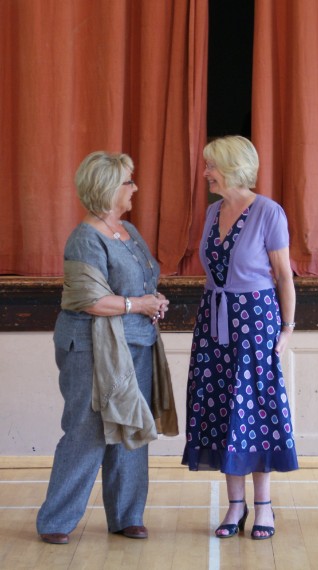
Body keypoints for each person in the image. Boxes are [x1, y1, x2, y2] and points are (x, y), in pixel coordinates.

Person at [37, 151, 176, 545]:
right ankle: (56, 521)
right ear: (108, 188)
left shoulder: (129, 230)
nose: (136, 187)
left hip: (137, 343)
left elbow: (139, 284)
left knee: (132, 424)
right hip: (89, 347)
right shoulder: (85, 238)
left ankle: (127, 516)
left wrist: (153, 300)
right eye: (129, 182)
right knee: (87, 430)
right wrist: (140, 304)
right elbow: (89, 300)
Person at [182, 136, 298, 540]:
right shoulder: (213, 211)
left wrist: (287, 328)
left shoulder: (269, 211)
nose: (206, 173)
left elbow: (284, 277)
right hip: (214, 321)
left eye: (210, 166)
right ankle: (235, 504)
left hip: (256, 322)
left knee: (257, 412)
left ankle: (263, 505)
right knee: (221, 409)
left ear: (230, 167)